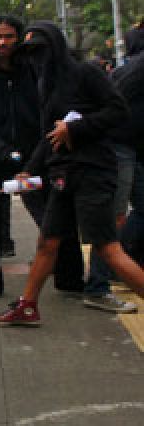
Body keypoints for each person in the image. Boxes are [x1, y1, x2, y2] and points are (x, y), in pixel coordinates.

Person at [0, 22, 144, 327]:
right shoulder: (45, 82)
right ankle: (27, 306)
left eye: (40, 51)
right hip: (62, 174)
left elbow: (118, 111)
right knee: (47, 242)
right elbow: (50, 136)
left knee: (108, 249)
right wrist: (28, 172)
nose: (35, 58)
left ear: (56, 47)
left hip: (92, 172)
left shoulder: (86, 73)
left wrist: (76, 127)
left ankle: (30, 305)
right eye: (29, 52)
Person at [0, 15, 84, 300]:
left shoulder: (33, 70)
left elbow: (48, 111)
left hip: (38, 156)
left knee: (53, 217)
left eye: (8, 37)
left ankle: (71, 280)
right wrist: (0, 148)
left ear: (19, 40)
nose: (2, 43)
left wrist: (36, 154)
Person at [79, 27, 144, 313]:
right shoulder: (137, 69)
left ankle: (122, 263)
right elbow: (110, 101)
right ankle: (98, 285)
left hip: (132, 147)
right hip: (118, 148)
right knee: (112, 219)